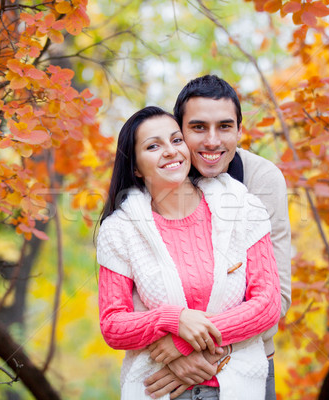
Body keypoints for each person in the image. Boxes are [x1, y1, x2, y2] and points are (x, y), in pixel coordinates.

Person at [97, 106, 281, 399]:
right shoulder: (119, 229)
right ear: (135, 167)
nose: (170, 151)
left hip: (237, 384)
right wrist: (173, 319)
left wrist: (184, 344)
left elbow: (268, 305)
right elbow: (113, 325)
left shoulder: (243, 208)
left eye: (176, 140)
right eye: (153, 146)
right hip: (159, 388)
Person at [144, 75, 292, 400]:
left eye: (225, 127)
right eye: (198, 128)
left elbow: (276, 298)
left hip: (246, 364)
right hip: (163, 371)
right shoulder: (155, 173)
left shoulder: (262, 179)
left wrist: (185, 344)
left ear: (240, 130)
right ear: (178, 132)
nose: (212, 141)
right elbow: (132, 291)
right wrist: (169, 350)